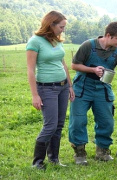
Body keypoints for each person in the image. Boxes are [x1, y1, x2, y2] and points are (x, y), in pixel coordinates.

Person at [68, 22, 117, 165]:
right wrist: (92, 70)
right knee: (78, 121)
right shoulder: (88, 46)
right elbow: (74, 65)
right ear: (108, 36)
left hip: (103, 89)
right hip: (82, 88)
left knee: (107, 122)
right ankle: (80, 153)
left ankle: (102, 151)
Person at [26, 11, 75, 170]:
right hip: (47, 89)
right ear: (51, 24)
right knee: (50, 125)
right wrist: (35, 95)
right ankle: (37, 162)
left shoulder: (56, 40)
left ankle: (54, 158)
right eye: (61, 27)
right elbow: (30, 70)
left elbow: (63, 64)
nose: (63, 30)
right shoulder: (35, 42)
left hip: (62, 87)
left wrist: (69, 85)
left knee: (59, 124)